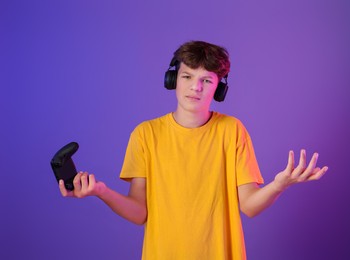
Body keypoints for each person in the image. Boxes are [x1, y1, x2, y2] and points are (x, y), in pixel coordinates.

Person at [59, 40, 328, 259]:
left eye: (207, 81)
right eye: (187, 76)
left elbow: (249, 206)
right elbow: (139, 212)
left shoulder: (232, 130)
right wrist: (100, 192)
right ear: (173, 79)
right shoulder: (145, 134)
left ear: (218, 89)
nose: (195, 87)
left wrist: (279, 185)